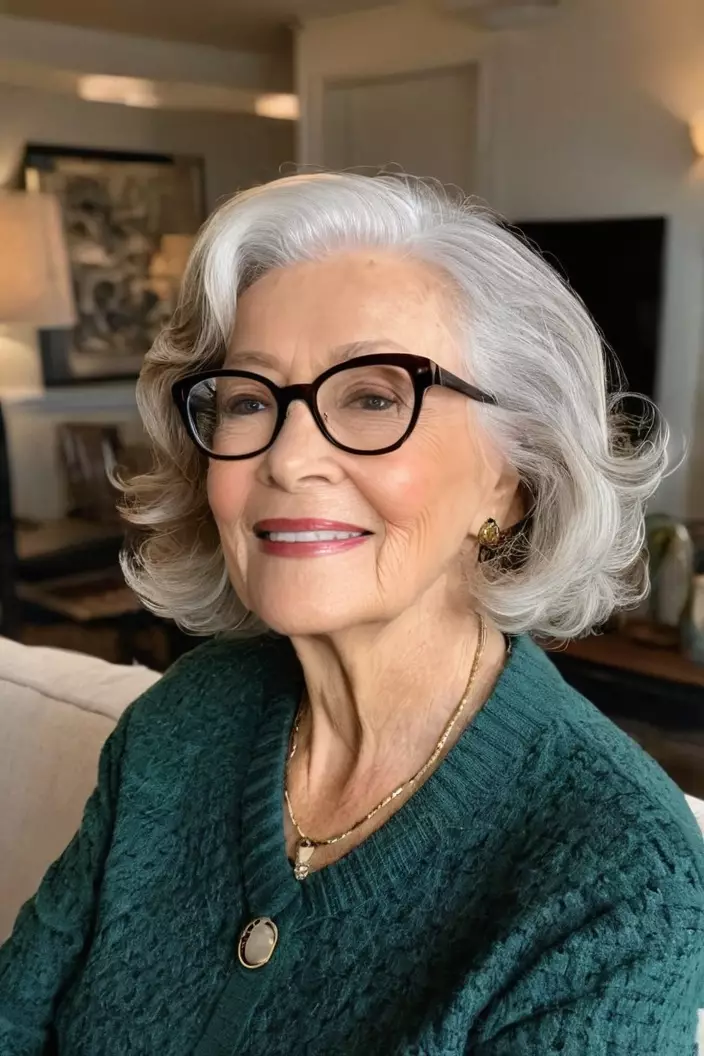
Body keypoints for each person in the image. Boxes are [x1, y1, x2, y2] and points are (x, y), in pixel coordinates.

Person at [1, 172, 702, 1055]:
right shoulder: (180, 723)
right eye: (249, 400)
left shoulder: (619, 873)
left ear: (513, 478)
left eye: (373, 397)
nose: (288, 458)